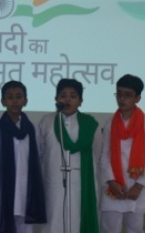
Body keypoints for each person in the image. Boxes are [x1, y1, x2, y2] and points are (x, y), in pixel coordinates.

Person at [37, 78, 101, 233]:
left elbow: (97, 152)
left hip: (81, 182)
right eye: (63, 95)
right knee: (54, 219)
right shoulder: (47, 121)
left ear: (80, 101)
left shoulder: (90, 124)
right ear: (56, 98)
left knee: (77, 219)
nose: (67, 100)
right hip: (53, 182)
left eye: (73, 96)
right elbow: (40, 151)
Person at [99, 74, 145, 233]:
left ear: (137, 98)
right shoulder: (110, 123)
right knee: (109, 229)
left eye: (127, 95)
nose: (122, 99)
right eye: (119, 94)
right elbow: (105, 155)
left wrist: (139, 186)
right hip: (113, 187)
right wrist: (112, 181)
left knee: (135, 229)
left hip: (136, 186)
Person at [0, 81, 46, 233]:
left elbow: (38, 157)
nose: (15, 101)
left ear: (25, 100)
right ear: (3, 101)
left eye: (19, 97)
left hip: (26, 189)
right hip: (3, 191)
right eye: (10, 97)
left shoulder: (33, 129)